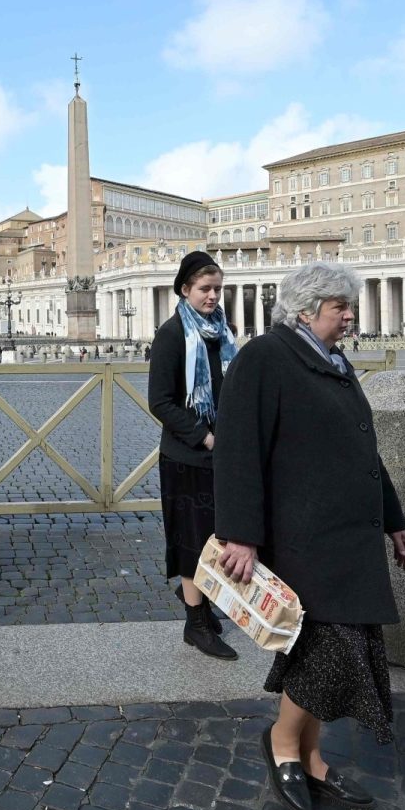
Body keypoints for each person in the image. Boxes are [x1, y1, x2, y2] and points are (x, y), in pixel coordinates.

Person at [214, 261, 405, 810]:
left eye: (348, 306)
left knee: (322, 650)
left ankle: (310, 755)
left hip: (347, 535)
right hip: (301, 535)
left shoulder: (331, 359)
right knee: (331, 649)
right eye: (339, 307)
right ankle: (283, 745)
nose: (350, 316)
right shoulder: (264, 358)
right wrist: (239, 534)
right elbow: (238, 450)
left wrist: (394, 520)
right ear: (305, 311)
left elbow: (363, 450)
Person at [147, 251, 239, 661]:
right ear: (185, 290)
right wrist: (204, 437)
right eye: (205, 289)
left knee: (218, 534)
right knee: (192, 540)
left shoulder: (223, 332)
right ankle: (195, 623)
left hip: (221, 454)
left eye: (218, 289)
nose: (213, 296)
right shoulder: (171, 334)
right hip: (187, 455)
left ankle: (201, 606)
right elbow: (161, 401)